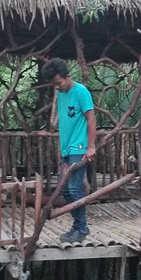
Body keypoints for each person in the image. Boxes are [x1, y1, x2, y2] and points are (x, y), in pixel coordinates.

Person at [42, 58, 96, 243]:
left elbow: (91, 119)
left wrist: (91, 146)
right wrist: (61, 151)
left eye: (58, 83)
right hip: (66, 148)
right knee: (65, 189)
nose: (57, 87)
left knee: (74, 187)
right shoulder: (61, 93)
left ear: (67, 76)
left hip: (79, 147)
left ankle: (80, 228)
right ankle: (80, 225)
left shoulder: (81, 92)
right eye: (54, 84)